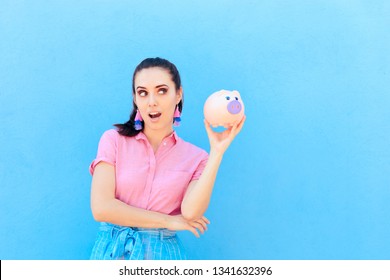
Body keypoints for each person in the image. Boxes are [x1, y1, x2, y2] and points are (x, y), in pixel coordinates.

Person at [89, 57, 245, 260]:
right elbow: (102, 208)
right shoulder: (113, 140)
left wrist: (217, 152)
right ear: (135, 99)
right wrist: (167, 221)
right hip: (112, 252)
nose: (151, 101)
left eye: (161, 91)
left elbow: (190, 213)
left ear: (178, 94)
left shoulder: (197, 158)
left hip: (163, 256)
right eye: (142, 93)